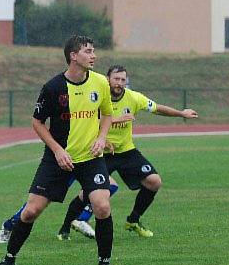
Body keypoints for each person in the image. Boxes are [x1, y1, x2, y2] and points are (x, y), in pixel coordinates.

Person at [0, 35, 116, 265]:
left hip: (90, 159)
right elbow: (37, 122)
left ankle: (104, 263)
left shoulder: (100, 82)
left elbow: (107, 114)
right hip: (57, 159)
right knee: (30, 212)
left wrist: (101, 137)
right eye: (88, 51)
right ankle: (8, 260)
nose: (94, 55)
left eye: (93, 51)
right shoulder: (53, 87)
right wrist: (57, 150)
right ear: (73, 56)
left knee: (101, 206)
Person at [53, 64, 198, 239]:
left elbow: (157, 108)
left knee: (154, 182)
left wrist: (181, 113)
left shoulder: (133, 98)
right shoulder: (96, 96)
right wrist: (106, 135)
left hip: (126, 151)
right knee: (92, 191)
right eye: (116, 79)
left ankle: (133, 220)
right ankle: (66, 227)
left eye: (123, 80)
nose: (119, 83)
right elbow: (86, 121)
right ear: (108, 79)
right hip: (99, 153)